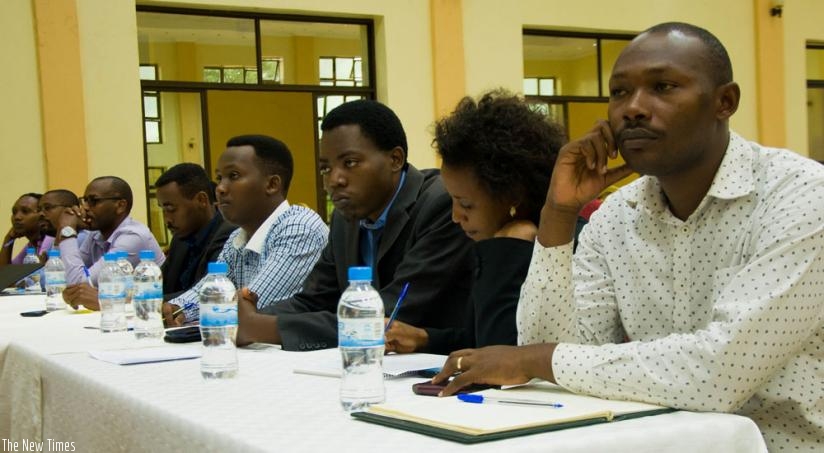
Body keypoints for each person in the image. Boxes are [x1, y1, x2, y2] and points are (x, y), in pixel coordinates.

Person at [432, 22, 824, 449]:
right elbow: (555, 347)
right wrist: (559, 214)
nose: (633, 108)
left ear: (724, 102)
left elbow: (719, 372)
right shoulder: (617, 215)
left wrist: (534, 360)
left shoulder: (800, 196)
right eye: (619, 92)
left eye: (663, 86)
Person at [236, 100, 474, 351]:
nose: (334, 180)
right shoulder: (345, 218)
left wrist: (264, 328)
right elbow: (313, 300)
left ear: (395, 159)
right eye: (325, 168)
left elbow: (392, 312)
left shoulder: (441, 204)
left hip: (438, 365)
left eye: (349, 163)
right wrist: (245, 318)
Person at [384, 90, 566, 354]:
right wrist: (424, 338)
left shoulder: (560, 248)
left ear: (511, 194)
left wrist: (506, 252)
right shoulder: (491, 238)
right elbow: (478, 337)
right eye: (453, 201)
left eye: (466, 204)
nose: (456, 216)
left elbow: (500, 352)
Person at [163, 135, 328, 325]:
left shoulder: (299, 228)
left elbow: (252, 306)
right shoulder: (238, 237)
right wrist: (176, 308)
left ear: (272, 184)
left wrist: (192, 312)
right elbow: (208, 291)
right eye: (219, 178)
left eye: (233, 176)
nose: (220, 188)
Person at [59, 176, 165, 309]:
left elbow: (79, 282)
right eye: (84, 201)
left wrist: (67, 230)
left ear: (120, 206)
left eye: (93, 201)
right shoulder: (95, 234)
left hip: (149, 314)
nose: (84, 208)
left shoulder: (133, 236)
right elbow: (63, 279)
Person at [154, 163, 236, 300]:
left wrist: (147, 301)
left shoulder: (229, 234)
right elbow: (158, 286)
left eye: (171, 209)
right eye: (162, 210)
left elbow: (205, 293)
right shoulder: (180, 238)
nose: (166, 220)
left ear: (201, 200)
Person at [1, 193, 53, 266]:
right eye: (14, 212)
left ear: (42, 216)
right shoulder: (32, 245)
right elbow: (5, 273)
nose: (17, 217)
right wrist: (8, 239)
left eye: (25, 211)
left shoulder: (51, 240)